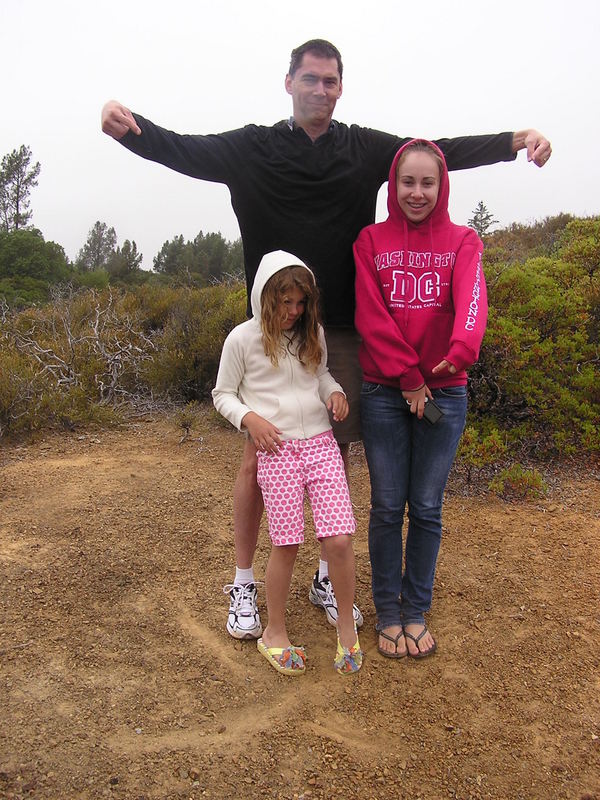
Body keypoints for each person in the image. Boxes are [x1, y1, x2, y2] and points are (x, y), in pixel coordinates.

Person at [101, 38, 551, 641]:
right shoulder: (252, 147)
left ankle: (321, 572)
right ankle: (243, 582)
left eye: (330, 81)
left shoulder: (362, 148)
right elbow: (186, 150)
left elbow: (436, 154)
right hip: (269, 327)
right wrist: (133, 132)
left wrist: (514, 140)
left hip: (337, 326)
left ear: (340, 88)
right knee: (258, 457)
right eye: (310, 79)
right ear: (289, 82)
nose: (320, 90)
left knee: (331, 449)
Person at [354, 139, 488, 659]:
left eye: (427, 182)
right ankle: (388, 611)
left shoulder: (463, 240)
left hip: (446, 391)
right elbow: (370, 313)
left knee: (427, 508)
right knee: (388, 505)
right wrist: (408, 375)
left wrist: (460, 352)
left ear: (442, 184)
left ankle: (416, 611)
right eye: (406, 182)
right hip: (386, 390)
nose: (416, 192)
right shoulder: (370, 240)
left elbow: (472, 299)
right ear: (393, 184)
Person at [212, 250, 362, 675]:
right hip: (276, 450)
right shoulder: (242, 340)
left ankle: (346, 630)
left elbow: (322, 375)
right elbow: (222, 394)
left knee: (338, 539)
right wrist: (250, 418)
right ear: (265, 297)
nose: (293, 312)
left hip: (320, 444)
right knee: (287, 543)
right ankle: (273, 632)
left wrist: (334, 393)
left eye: (300, 303)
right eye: (284, 303)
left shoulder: (310, 331)